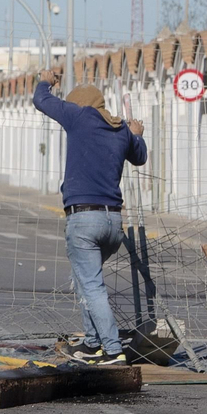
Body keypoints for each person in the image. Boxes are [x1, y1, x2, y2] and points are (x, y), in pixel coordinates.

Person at [32, 67, 147, 366]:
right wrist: (137, 135)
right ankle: (93, 342)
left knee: (92, 286)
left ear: (80, 105)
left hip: (84, 219)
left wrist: (46, 80)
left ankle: (112, 350)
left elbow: (41, 100)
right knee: (85, 279)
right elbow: (140, 156)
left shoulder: (79, 116)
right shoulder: (121, 129)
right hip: (113, 223)